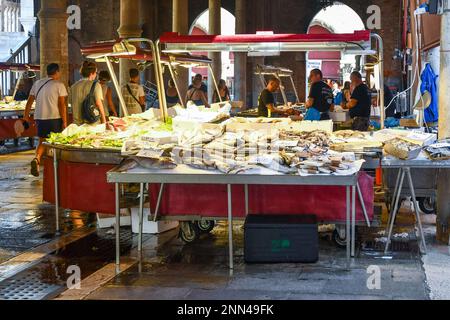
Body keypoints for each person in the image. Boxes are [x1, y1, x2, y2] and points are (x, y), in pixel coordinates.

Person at [23, 63, 68, 177]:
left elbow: (29, 101)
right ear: (57, 72)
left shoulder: (38, 83)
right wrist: (65, 121)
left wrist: (26, 116)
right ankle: (54, 166)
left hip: (39, 117)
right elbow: (62, 105)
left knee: (42, 141)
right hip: (54, 117)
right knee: (55, 142)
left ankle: (37, 159)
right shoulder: (59, 85)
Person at [69, 61, 107, 126]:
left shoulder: (73, 86)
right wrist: (104, 120)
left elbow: (70, 103)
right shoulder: (96, 85)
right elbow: (98, 103)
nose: (96, 74)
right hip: (92, 123)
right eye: (95, 72)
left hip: (77, 124)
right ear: (92, 73)